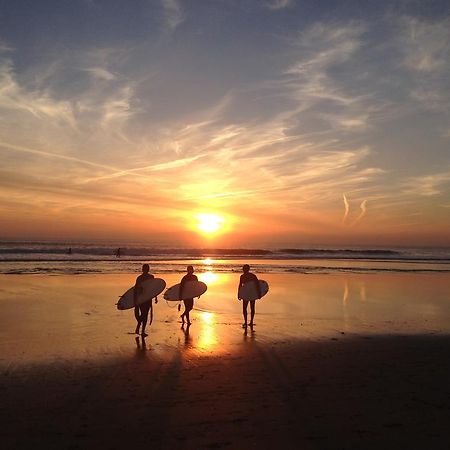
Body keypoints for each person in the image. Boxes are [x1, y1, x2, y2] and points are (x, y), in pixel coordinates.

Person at [134, 263, 157, 336]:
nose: (146, 270)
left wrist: (155, 297)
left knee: (144, 314)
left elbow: (153, 288)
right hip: (142, 298)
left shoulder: (151, 277)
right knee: (144, 314)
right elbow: (136, 288)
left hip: (147, 298)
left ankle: (141, 329)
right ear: (143, 269)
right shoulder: (140, 278)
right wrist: (135, 299)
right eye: (145, 268)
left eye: (147, 268)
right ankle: (140, 327)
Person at [237, 264, 261, 329]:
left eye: (245, 268)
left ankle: (251, 321)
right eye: (243, 269)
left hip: (251, 293)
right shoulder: (242, 276)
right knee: (245, 308)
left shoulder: (252, 276)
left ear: (248, 269)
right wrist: (239, 294)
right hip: (246, 293)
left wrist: (259, 294)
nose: (244, 270)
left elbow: (257, 285)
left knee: (251, 308)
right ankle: (246, 321)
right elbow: (240, 285)